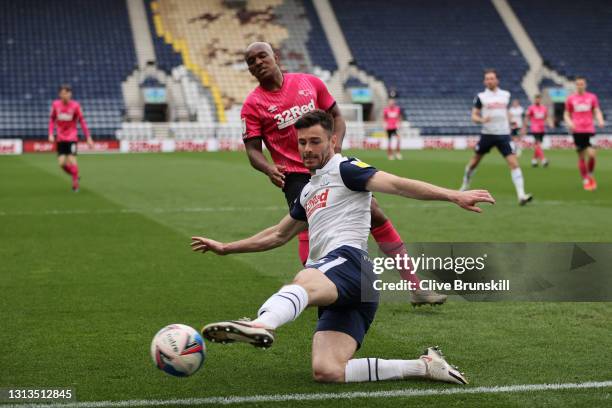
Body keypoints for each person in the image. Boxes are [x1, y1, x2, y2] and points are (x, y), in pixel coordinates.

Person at [192, 110, 495, 384]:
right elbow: (278, 235)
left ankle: (261, 323)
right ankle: (424, 366)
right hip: (346, 288)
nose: (307, 149)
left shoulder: (346, 168)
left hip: (349, 264)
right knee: (328, 370)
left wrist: (454, 195)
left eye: (315, 141)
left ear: (333, 141)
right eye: (302, 143)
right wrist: (226, 248)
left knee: (305, 279)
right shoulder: (309, 190)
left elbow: (399, 184)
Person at [240, 42, 445, 305]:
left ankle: (415, 287)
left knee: (375, 211)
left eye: (262, 56)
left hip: (330, 165)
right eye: (251, 61)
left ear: (275, 57)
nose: (257, 62)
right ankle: (316, 290)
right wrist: (269, 168)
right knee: (308, 228)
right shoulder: (252, 105)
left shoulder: (309, 82)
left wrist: (336, 145)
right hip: (295, 176)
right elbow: (252, 151)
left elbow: (336, 115)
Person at [460, 69, 533, 206]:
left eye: (492, 78)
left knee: (514, 163)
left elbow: (505, 111)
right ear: (484, 81)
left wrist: (510, 120)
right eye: (487, 79)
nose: (489, 81)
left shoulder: (505, 95)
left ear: (497, 80)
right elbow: (474, 116)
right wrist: (482, 120)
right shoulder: (481, 97)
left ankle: (521, 195)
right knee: (474, 162)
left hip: (503, 135)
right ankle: (464, 186)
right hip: (487, 134)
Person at [48, 84, 93, 191]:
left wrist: (88, 137)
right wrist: (50, 133)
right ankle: (75, 175)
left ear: (70, 94)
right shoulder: (55, 105)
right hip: (60, 138)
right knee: (61, 163)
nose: (66, 95)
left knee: (72, 160)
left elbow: (82, 121)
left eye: (68, 93)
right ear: (60, 94)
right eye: (63, 93)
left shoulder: (76, 106)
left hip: (72, 138)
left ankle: (75, 184)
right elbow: (52, 120)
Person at [564, 76, 605, 191]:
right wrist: (569, 122)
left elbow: (596, 110)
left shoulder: (592, 97)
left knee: (592, 154)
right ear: (575, 85)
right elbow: (566, 114)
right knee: (581, 156)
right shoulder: (571, 99)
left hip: (589, 130)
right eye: (578, 84)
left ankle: (590, 175)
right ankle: (586, 179)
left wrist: (600, 119)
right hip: (577, 131)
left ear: (585, 85)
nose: (580, 86)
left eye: (582, 84)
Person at [523, 94, 552, 167]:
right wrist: (524, 127)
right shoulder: (531, 108)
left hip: (542, 128)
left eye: (538, 99)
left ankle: (534, 160)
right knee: (538, 144)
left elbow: (546, 117)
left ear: (540, 99)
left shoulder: (544, 108)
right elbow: (527, 118)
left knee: (537, 146)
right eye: (536, 99)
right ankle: (543, 160)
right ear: (534, 99)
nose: (537, 100)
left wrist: (549, 123)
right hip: (535, 128)